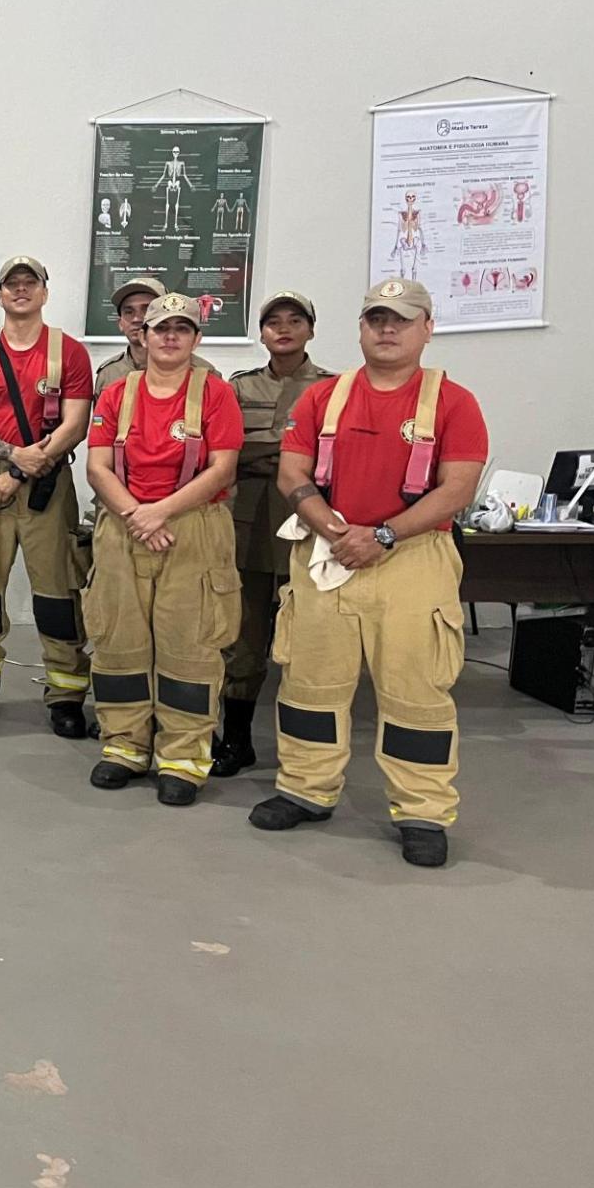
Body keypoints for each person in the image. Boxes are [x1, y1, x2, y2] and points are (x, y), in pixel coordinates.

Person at [251, 279, 487, 868]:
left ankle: (422, 810)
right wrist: (332, 529)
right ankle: (306, 789)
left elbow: (458, 487)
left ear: (426, 328)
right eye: (377, 318)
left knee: (415, 693)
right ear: (360, 328)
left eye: (402, 319)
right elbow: (292, 474)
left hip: (411, 559)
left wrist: (383, 535)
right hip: (326, 550)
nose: (388, 329)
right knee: (309, 682)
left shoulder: (454, 402)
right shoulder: (321, 398)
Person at [84, 293, 243, 806]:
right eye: (160, 328)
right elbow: (97, 467)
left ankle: (183, 756)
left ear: (196, 339)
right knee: (118, 640)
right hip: (124, 526)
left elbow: (222, 469)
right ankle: (124, 746)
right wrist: (137, 514)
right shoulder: (115, 393)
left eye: (182, 328)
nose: (170, 336)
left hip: (192, 529)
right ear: (142, 336)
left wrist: (161, 512)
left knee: (189, 647)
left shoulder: (216, 394)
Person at [0, 256, 96, 735]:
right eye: (13, 284)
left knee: (57, 592)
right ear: (0, 294)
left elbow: (75, 424)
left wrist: (25, 465)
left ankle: (66, 696)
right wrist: (12, 457)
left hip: (48, 481)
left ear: (45, 293)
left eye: (31, 284)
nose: (22, 291)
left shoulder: (70, 352)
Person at [214, 291, 330, 776]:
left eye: (295, 320)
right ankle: (238, 742)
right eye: (273, 322)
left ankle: (311, 753)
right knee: (242, 638)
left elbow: (329, 458)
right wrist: (286, 455)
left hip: (309, 527)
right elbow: (225, 450)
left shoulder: (333, 388)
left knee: (312, 638)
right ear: (260, 333)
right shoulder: (239, 389)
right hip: (247, 526)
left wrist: (266, 455)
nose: (283, 329)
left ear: (310, 329)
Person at [93, 276, 217, 389]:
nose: (137, 319)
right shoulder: (108, 374)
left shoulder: (205, 374)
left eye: (147, 309)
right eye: (129, 312)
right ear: (120, 323)